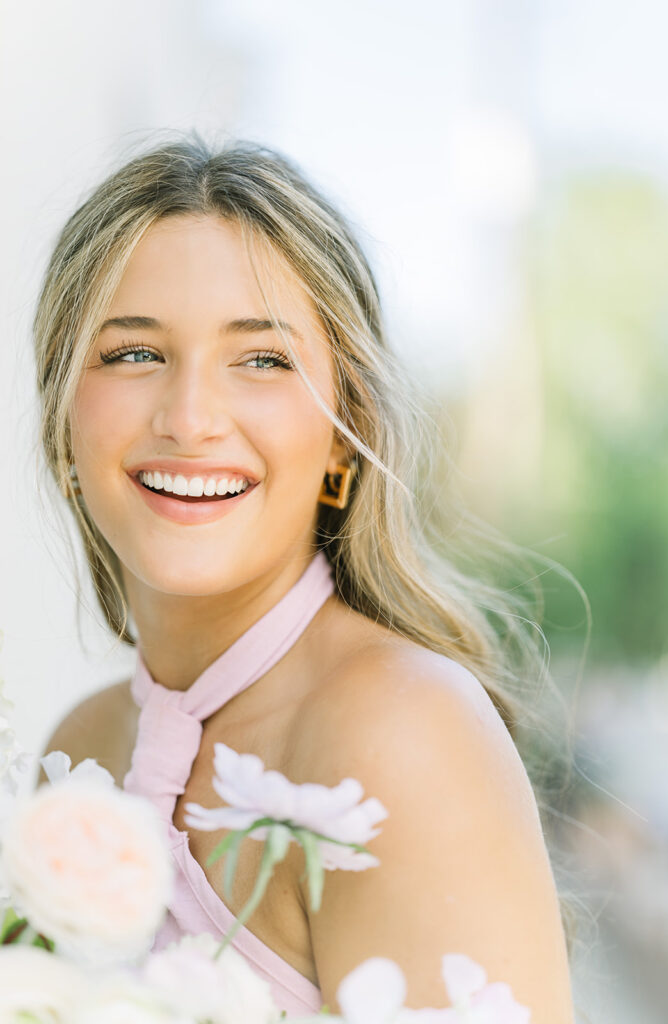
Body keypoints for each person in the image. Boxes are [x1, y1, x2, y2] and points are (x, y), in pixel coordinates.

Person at [35, 135, 575, 1021]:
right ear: (62, 424)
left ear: (341, 433)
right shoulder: (82, 750)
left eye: (262, 359)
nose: (190, 417)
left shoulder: (402, 733)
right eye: (134, 353)